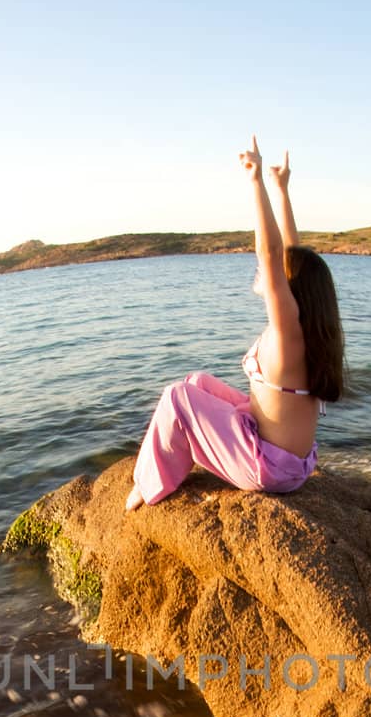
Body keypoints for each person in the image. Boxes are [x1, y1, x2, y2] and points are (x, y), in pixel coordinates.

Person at [124, 136, 345, 511]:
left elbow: (273, 253)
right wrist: (282, 190)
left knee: (177, 397)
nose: (262, 269)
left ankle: (146, 485)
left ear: (287, 285)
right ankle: (185, 455)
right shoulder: (306, 330)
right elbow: (292, 255)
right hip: (289, 460)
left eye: (273, 272)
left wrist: (256, 182)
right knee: (198, 383)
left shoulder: (288, 334)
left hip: (270, 468)